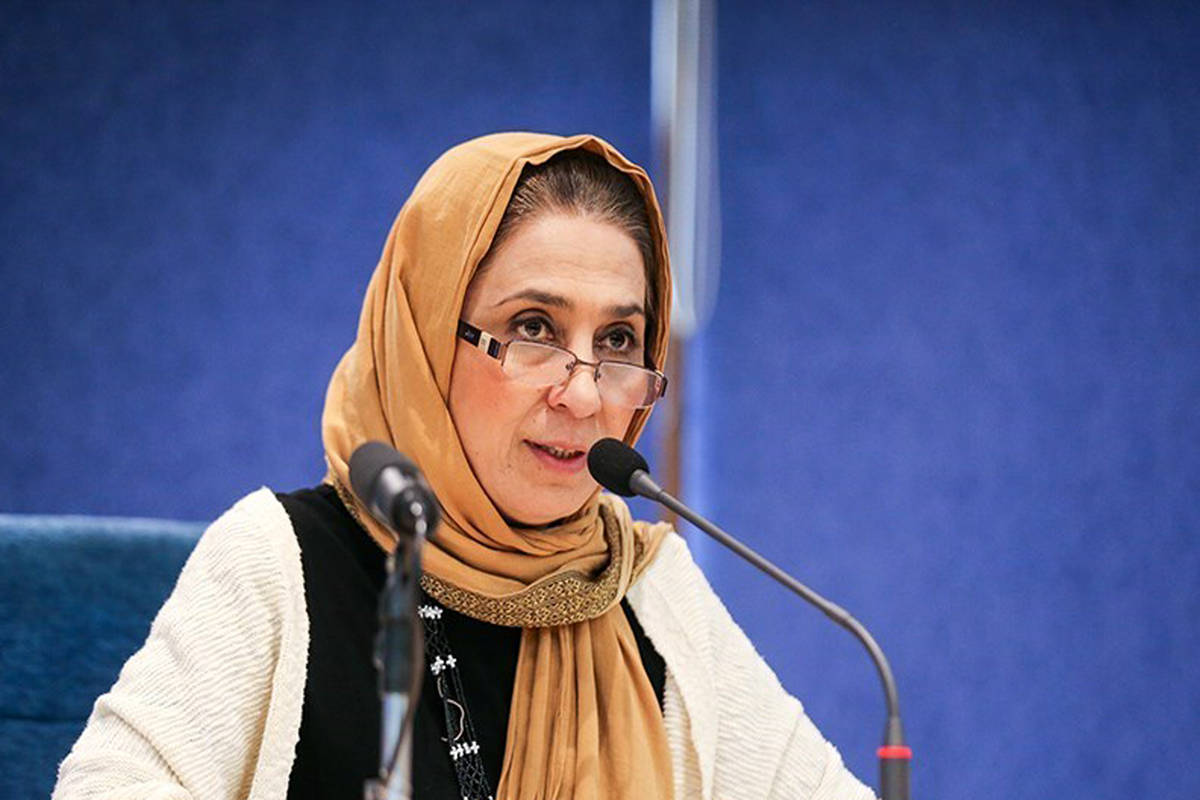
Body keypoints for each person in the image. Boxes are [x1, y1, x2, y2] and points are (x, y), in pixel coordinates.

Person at [52, 133, 874, 800]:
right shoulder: (278, 562)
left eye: (618, 341)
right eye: (534, 328)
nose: (584, 395)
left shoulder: (649, 588)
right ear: (424, 336)